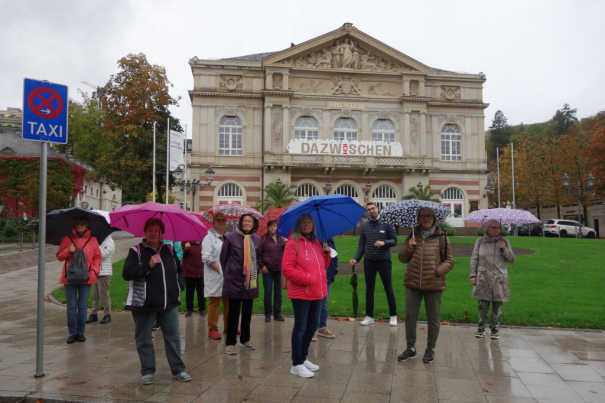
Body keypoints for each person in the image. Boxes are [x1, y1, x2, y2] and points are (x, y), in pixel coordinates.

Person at [122, 218, 191, 385]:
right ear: (145, 232)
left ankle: (178, 369)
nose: (153, 233)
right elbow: (127, 273)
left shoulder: (168, 249)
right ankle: (147, 371)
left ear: (162, 233)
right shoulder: (136, 251)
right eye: (150, 230)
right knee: (144, 338)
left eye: (157, 230)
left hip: (168, 302)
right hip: (144, 303)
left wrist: (180, 285)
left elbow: (179, 270)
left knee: (173, 336)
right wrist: (148, 264)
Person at [397, 208, 454, 364]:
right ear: (418, 218)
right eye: (423, 216)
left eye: (429, 216)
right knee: (410, 316)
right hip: (413, 282)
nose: (426, 218)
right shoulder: (412, 235)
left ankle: (430, 349)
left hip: (434, 284)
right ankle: (410, 348)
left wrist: (436, 272)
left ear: (434, 218)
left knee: (433, 318)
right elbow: (402, 258)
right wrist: (409, 247)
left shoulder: (442, 237)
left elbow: (449, 261)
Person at [282, 214, 331, 378]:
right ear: (298, 225)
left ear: (313, 225)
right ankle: (296, 364)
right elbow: (287, 269)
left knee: (313, 325)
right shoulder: (292, 244)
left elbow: (323, 266)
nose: (306, 224)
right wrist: (307, 279)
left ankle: (302, 357)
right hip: (302, 292)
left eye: (309, 222)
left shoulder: (316, 243)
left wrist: (326, 254)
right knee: (301, 326)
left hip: (318, 292)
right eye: (303, 222)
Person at [220, 214, 263, 355]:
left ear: (253, 224)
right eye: (245, 221)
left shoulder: (257, 240)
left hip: (250, 280)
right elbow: (223, 258)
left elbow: (260, 258)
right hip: (234, 280)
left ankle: (245, 339)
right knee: (233, 312)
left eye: (249, 221)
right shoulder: (231, 237)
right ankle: (230, 342)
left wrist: (255, 271)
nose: (247, 223)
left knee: (247, 312)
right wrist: (230, 272)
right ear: (240, 223)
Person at [349, 202, 398, 326]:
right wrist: (356, 258)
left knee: (388, 288)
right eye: (369, 209)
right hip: (369, 261)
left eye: (373, 208)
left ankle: (393, 315)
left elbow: (394, 240)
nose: (371, 211)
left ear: (377, 209)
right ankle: (369, 316)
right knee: (369, 289)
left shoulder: (387, 223)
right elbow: (361, 244)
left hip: (384, 261)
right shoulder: (365, 225)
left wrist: (383, 243)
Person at [56, 217, 102, 344]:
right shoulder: (67, 239)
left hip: (86, 277)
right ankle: (72, 333)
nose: (80, 225)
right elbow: (59, 256)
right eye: (77, 224)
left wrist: (94, 271)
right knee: (71, 306)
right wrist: (67, 250)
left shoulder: (93, 240)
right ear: (74, 226)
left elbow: (98, 257)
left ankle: (80, 331)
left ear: (87, 226)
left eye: (82, 224)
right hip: (69, 277)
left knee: (82, 305)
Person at [470, 219, 515, 339]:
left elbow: (512, 259)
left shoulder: (504, 241)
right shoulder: (480, 242)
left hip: (499, 277)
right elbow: (474, 259)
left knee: (497, 304)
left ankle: (495, 329)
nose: (497, 229)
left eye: (498, 227)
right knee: (482, 304)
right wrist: (473, 275)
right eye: (494, 227)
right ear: (487, 229)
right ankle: (481, 328)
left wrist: (504, 250)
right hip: (483, 276)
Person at [202, 211, 229, 340]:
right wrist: (220, 270)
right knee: (214, 302)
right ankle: (212, 328)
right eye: (219, 220)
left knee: (228, 301)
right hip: (215, 274)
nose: (221, 222)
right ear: (214, 222)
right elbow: (206, 258)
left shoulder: (228, 237)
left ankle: (228, 326)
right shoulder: (209, 237)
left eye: (223, 219)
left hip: (228, 275)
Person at [260, 220, 287, 322]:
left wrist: (286, 245)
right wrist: (262, 266)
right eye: (271, 226)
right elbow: (259, 254)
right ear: (268, 228)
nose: (273, 228)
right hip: (267, 269)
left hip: (279, 269)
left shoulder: (282, 239)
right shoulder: (263, 239)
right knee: (267, 292)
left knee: (278, 292)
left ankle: (277, 313)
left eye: (275, 226)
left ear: (277, 227)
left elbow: (288, 253)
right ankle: (267, 314)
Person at [87, 234, 115, 324]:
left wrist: (96, 245)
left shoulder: (109, 242)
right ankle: (94, 314)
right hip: (95, 271)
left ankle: (107, 314)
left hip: (104, 272)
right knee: (95, 295)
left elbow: (102, 255)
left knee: (103, 294)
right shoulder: (98, 241)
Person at [316, 237, 338, 339]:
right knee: (314, 302)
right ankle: (310, 328)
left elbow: (334, 255)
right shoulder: (310, 239)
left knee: (324, 302)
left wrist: (333, 270)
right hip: (316, 275)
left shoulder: (328, 238)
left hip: (328, 274)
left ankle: (322, 327)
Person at [181, 239, 206, 317]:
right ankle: (189, 309)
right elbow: (182, 254)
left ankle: (202, 309)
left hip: (201, 271)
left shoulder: (204, 241)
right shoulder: (186, 241)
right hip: (189, 272)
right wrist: (186, 248)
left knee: (201, 291)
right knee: (189, 291)